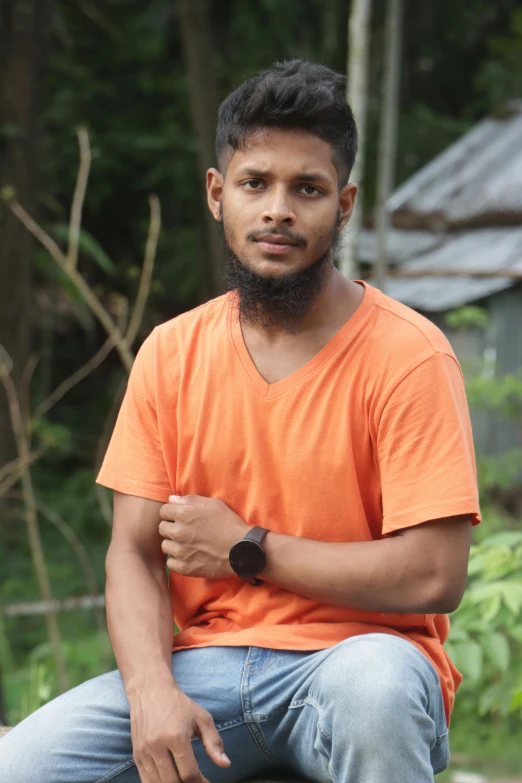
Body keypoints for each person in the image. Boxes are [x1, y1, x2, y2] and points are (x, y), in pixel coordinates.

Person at [0, 59, 480, 783]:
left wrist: (248, 548)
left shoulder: (410, 355)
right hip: (206, 672)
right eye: (256, 183)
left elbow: (434, 575)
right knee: (20, 765)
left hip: (357, 659)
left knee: (377, 693)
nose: (279, 210)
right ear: (217, 194)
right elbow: (132, 553)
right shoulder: (171, 352)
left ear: (344, 204)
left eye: (308, 188)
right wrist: (151, 691)